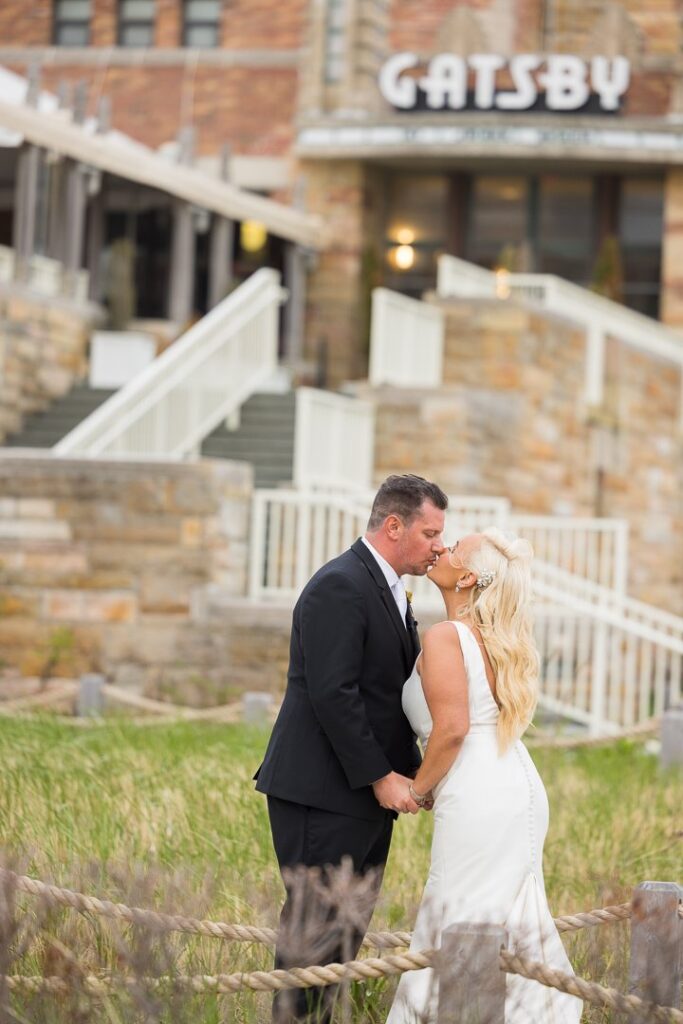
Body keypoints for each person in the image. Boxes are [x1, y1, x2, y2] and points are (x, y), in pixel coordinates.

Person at [254, 474, 448, 1023]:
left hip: (358, 794)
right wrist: (382, 778)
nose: (439, 545)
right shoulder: (340, 584)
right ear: (394, 525)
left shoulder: (388, 587)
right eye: (431, 532)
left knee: (342, 943)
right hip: (322, 792)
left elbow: (383, 697)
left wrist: (416, 772)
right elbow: (333, 695)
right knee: (312, 937)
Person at [387, 528, 582, 1024]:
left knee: (456, 913)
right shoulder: (492, 638)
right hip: (512, 780)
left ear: (468, 576)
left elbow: (452, 730)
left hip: (479, 790)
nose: (442, 549)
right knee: (506, 918)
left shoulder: (447, 636)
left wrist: (416, 787)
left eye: (453, 548)